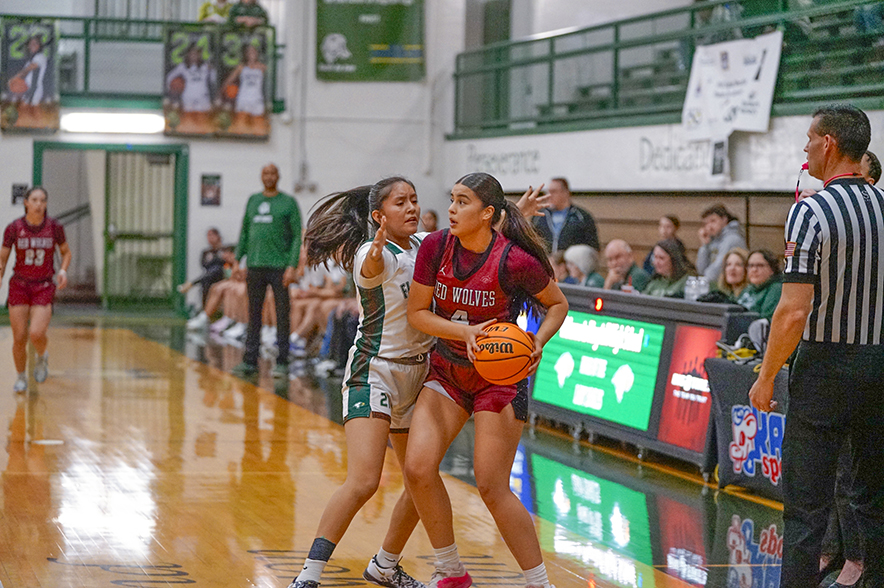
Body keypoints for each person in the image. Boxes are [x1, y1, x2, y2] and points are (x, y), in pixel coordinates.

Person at [285, 178, 547, 588]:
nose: (411, 208)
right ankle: (309, 574)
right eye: (400, 203)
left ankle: (386, 565)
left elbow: (482, 232)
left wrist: (517, 214)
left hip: (422, 371)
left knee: (419, 476)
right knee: (365, 480)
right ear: (379, 216)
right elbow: (372, 268)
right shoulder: (369, 256)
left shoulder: (430, 243)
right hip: (376, 369)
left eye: (414, 200)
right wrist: (373, 251)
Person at [405, 172, 568, 588]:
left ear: (487, 213)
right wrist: (465, 333)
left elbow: (557, 305)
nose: (452, 209)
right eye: (452, 200)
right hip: (448, 369)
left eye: (462, 202)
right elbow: (417, 313)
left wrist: (538, 340)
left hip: (498, 380)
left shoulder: (515, 260)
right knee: (419, 469)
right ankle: (451, 570)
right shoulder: (436, 247)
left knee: (492, 486)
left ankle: (539, 583)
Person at [749, 104, 884, 588]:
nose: (804, 147)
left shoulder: (811, 210)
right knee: (872, 500)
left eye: (809, 138)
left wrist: (765, 376)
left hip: (826, 367)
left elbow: (792, 311)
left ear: (828, 144)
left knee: (806, 509)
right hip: (878, 364)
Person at [0, 187, 72, 393]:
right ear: (26, 203)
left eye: (43, 200)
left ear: (46, 204)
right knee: (19, 336)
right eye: (34, 200)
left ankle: (42, 356)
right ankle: (21, 376)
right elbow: (3, 256)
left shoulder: (55, 227)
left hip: (43, 285)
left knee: (36, 333)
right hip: (19, 285)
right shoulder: (14, 227)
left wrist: (63, 271)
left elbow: (66, 252)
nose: (39, 204)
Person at [232, 164, 301, 378]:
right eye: (265, 173)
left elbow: (298, 236)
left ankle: (282, 360)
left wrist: (292, 265)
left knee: (282, 314)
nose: (269, 177)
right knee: (253, 313)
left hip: (279, 266)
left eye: (272, 173)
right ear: (261, 176)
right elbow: (244, 230)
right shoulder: (253, 200)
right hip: (255, 264)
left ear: (278, 176)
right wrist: (237, 260)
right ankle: (249, 360)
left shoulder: (288, 202)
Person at [532, 177, 599, 252]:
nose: (548, 196)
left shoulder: (581, 217)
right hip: (544, 260)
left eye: (553, 192)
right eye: (547, 192)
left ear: (565, 193)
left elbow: (593, 248)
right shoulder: (539, 216)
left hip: (571, 261)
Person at [182, 228, 226, 327]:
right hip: (208, 279)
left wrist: (216, 259)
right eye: (208, 236)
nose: (210, 238)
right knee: (207, 282)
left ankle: (192, 283)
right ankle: (205, 314)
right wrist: (215, 260)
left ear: (218, 236)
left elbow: (221, 266)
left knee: (216, 272)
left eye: (212, 235)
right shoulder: (206, 252)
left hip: (221, 278)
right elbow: (205, 265)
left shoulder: (225, 250)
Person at [223, 43, 267, 134]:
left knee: (258, 124)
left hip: (257, 98)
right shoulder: (241, 67)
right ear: (246, 54)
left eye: (254, 52)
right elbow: (229, 80)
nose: (252, 54)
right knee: (241, 122)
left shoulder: (262, 67)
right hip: (244, 98)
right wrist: (222, 92)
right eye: (249, 52)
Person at [696, 204, 746, 281]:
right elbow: (701, 270)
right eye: (706, 223)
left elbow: (718, 269)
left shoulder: (732, 239)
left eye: (713, 221)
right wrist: (704, 245)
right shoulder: (713, 240)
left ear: (724, 219)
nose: (709, 226)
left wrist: (702, 282)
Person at [165, 42, 216, 115]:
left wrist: (212, 70)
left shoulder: (205, 66)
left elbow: (213, 80)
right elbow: (169, 77)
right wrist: (170, 89)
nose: (194, 56)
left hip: (203, 96)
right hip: (188, 96)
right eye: (192, 54)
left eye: (196, 54)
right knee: (188, 118)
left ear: (199, 55)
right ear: (188, 55)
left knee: (204, 120)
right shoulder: (182, 67)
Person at [736, 249, 782, 321]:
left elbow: (765, 319)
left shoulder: (776, 289)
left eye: (760, 265)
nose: (754, 269)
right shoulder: (748, 288)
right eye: (751, 265)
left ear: (772, 269)